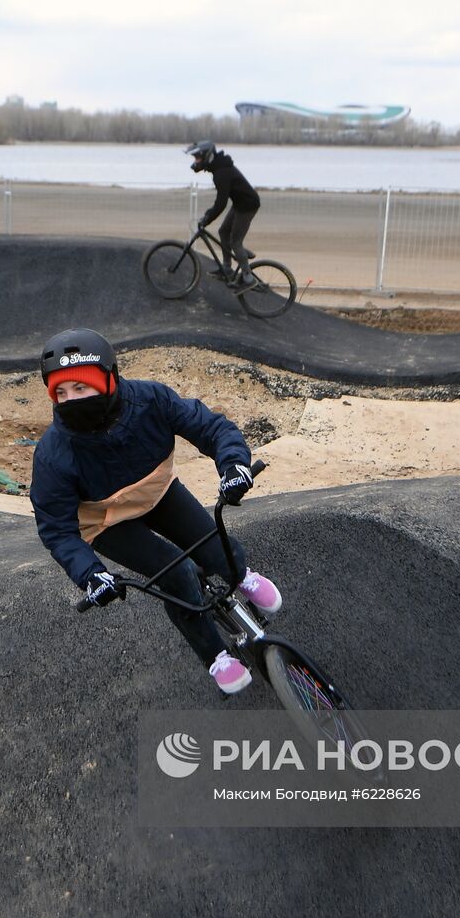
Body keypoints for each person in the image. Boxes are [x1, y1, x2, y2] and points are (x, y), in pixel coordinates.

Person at [28, 328, 282, 695]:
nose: (70, 400)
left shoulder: (149, 399)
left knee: (217, 550)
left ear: (110, 379)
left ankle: (241, 575)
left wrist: (233, 466)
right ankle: (216, 656)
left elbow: (210, 426)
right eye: (60, 393)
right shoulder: (54, 453)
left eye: (80, 389)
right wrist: (91, 575)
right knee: (178, 575)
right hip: (107, 522)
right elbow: (56, 528)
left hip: (158, 493)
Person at [185, 140, 262, 287]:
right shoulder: (218, 167)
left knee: (235, 242)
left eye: (197, 158)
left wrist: (207, 219)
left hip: (247, 205)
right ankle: (227, 267)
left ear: (207, 156)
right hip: (240, 203)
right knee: (223, 232)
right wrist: (209, 215)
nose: (195, 162)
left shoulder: (221, 172)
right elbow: (221, 201)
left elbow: (221, 203)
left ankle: (248, 278)